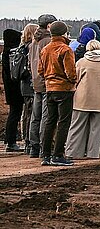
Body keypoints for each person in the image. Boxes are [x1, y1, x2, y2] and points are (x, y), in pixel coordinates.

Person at [37, 21, 77, 166]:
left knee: (50, 121)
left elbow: (40, 70)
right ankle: (58, 154)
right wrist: (74, 82)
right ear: (64, 33)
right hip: (64, 89)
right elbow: (71, 72)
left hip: (49, 88)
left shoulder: (46, 49)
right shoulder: (65, 49)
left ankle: (46, 155)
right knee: (63, 122)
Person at [65, 40, 100, 159]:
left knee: (77, 126)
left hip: (82, 99)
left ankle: (73, 152)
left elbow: (75, 78)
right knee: (96, 128)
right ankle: (93, 153)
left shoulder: (82, 62)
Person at [28, 14, 57, 158]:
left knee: (35, 116)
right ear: (49, 25)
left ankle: (33, 146)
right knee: (47, 116)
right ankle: (43, 146)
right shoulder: (48, 41)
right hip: (47, 82)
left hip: (36, 82)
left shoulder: (34, 41)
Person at [3, 29, 25, 152]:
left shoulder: (6, 53)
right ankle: (11, 141)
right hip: (15, 89)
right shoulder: (12, 54)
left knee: (14, 114)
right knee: (15, 114)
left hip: (10, 89)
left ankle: (9, 140)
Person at [19, 23, 39, 153]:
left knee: (27, 113)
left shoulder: (21, 48)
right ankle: (30, 141)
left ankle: (26, 141)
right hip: (30, 83)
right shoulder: (30, 48)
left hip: (24, 84)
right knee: (32, 114)